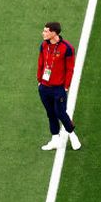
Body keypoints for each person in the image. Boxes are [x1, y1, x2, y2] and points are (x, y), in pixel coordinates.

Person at [37, 22, 82, 151]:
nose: (43, 33)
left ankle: (73, 135)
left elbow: (70, 69)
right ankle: (55, 139)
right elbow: (40, 62)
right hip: (44, 87)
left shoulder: (67, 48)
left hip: (58, 88)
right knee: (50, 113)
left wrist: (66, 86)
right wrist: (39, 80)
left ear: (54, 33)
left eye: (46, 31)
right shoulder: (44, 45)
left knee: (60, 113)